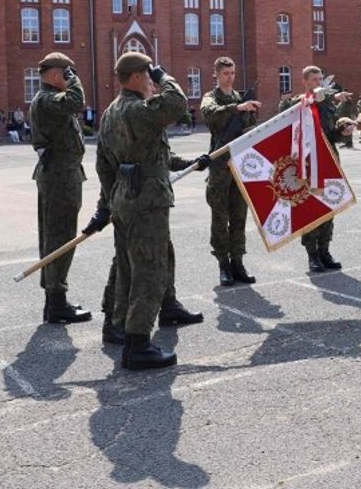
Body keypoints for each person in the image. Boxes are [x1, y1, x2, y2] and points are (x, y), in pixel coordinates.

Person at [95, 54, 197, 370]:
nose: (153, 83)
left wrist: (106, 206)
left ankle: (122, 329)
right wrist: (165, 76)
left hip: (124, 198)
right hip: (147, 201)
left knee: (128, 270)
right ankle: (138, 344)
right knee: (149, 270)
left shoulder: (111, 112)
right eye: (149, 76)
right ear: (138, 76)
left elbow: (106, 165)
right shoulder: (137, 110)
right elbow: (177, 104)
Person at [28, 52, 91, 324]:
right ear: (56, 74)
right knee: (59, 237)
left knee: (57, 235)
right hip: (59, 177)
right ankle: (56, 301)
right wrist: (74, 81)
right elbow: (77, 102)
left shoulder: (49, 99)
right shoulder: (48, 99)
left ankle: (55, 300)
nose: (71, 78)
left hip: (61, 174)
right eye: (67, 73)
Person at [279, 67, 355, 273]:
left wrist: (342, 131)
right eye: (315, 79)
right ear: (305, 82)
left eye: (321, 78)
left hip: (329, 161)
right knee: (311, 208)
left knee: (329, 205)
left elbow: (331, 134)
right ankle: (312, 254)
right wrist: (318, 97)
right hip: (307, 164)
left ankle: (325, 250)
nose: (319, 82)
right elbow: (289, 115)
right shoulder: (297, 102)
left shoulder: (328, 105)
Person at [200, 56, 260, 286]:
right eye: (226, 73)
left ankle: (238, 263)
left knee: (239, 216)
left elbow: (250, 128)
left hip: (241, 166)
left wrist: (252, 118)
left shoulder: (241, 97)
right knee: (220, 217)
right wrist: (237, 108)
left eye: (232, 73)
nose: (230, 77)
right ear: (216, 74)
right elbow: (210, 114)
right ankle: (223, 265)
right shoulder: (210, 98)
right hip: (220, 166)